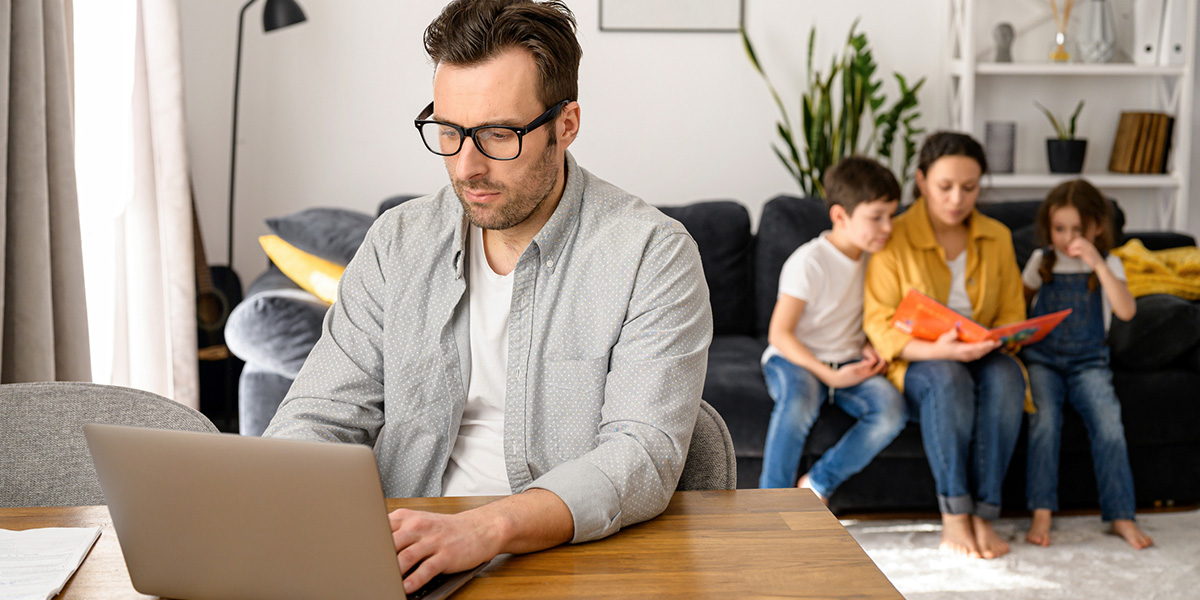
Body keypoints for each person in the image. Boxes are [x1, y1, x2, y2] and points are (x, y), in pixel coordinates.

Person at [263, 0, 712, 594]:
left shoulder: (651, 254)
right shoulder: (398, 242)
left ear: (566, 124)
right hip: (404, 554)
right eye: (448, 131)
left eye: (498, 134)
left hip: (565, 559)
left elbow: (642, 454)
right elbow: (317, 415)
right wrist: (273, 511)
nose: (467, 166)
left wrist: (486, 528)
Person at [863, 132, 1027, 559]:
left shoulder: (998, 236)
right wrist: (943, 350)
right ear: (920, 180)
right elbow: (879, 324)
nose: (957, 199)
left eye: (969, 188)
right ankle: (955, 513)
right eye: (945, 187)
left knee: (1009, 376)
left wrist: (996, 340)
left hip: (983, 353)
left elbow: (1011, 314)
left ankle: (985, 514)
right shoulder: (892, 234)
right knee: (948, 375)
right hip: (925, 361)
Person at [758, 156, 906, 503]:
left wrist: (870, 344)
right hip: (796, 358)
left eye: (892, 216)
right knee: (799, 399)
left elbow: (873, 314)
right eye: (876, 217)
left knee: (891, 410)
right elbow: (780, 334)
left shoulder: (877, 258)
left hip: (848, 359)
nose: (888, 227)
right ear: (840, 216)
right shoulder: (809, 262)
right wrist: (827, 373)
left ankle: (817, 485)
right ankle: (769, 502)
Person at [1021, 179, 1153, 549]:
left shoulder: (1108, 262)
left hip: (1088, 362)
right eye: (1059, 229)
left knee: (1108, 422)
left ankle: (1121, 515)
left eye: (1077, 229)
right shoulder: (1040, 261)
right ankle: (1042, 509)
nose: (1067, 238)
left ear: (1096, 227)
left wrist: (1096, 262)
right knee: (1044, 422)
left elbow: (1126, 310)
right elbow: (1019, 303)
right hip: (1043, 360)